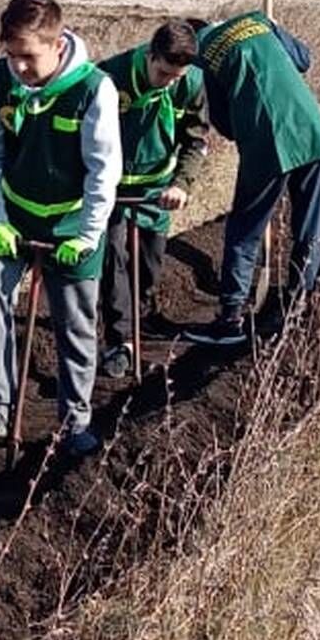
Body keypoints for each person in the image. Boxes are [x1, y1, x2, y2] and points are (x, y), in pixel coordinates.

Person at [0, 0, 120, 455]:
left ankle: (75, 421)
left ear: (56, 44)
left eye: (28, 57)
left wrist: (88, 234)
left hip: (72, 227)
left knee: (75, 321)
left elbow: (103, 170)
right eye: (11, 55)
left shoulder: (93, 89)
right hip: (13, 218)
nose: (20, 67)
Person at [182, 10, 320, 348]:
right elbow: (303, 59)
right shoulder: (257, 21)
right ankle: (301, 305)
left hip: (267, 143)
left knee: (245, 228)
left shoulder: (203, 57)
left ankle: (230, 321)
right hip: (312, 131)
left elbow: (223, 122)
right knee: (310, 225)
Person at [97, 19, 209, 376]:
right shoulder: (109, 79)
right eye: (163, 73)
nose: (169, 82)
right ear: (150, 55)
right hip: (110, 191)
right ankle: (119, 342)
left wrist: (182, 185)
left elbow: (196, 140)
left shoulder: (190, 84)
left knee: (148, 267)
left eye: (176, 76)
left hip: (155, 192)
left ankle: (137, 324)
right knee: (112, 260)